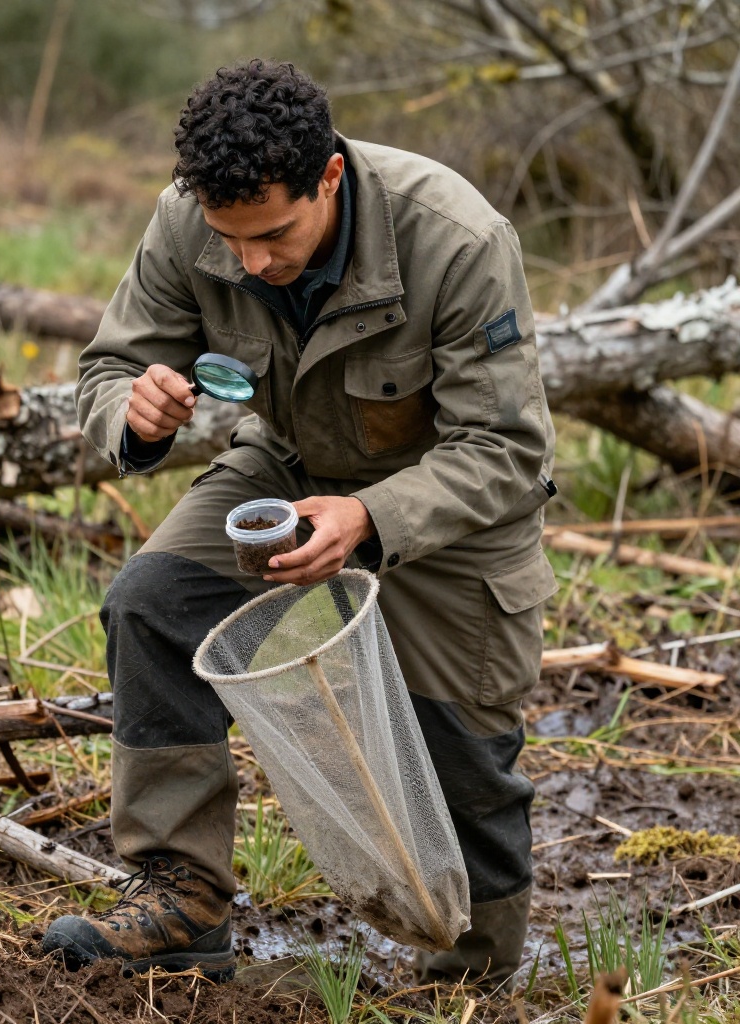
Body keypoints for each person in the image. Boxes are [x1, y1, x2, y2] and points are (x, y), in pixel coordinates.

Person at [43, 58, 557, 989]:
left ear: (328, 176)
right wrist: (135, 412)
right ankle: (180, 897)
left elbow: (506, 449)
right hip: (287, 464)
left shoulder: (456, 238)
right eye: (228, 239)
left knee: (458, 755)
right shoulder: (187, 219)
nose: (251, 263)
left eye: (275, 235)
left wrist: (369, 514)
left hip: (448, 503)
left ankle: (471, 975)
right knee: (152, 604)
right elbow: (109, 368)